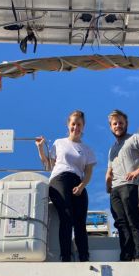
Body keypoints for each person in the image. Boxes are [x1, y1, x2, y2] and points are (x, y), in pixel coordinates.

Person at [35, 110, 96, 262]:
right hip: (59, 179)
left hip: (78, 182)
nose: (76, 127)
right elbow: (49, 165)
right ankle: (66, 256)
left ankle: (84, 256)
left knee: (80, 221)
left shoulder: (87, 149)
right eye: (73, 124)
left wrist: (82, 186)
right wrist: (40, 148)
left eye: (79, 124)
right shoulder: (59, 143)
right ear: (68, 125)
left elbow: (88, 172)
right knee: (66, 216)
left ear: (83, 127)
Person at [105, 110, 139, 261]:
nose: (118, 126)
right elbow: (109, 170)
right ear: (111, 127)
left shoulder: (135, 138)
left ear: (126, 124)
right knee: (120, 223)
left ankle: (138, 255)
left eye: (121, 123)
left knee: (132, 220)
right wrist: (107, 182)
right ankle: (126, 255)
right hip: (115, 189)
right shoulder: (112, 149)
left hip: (130, 185)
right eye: (115, 124)